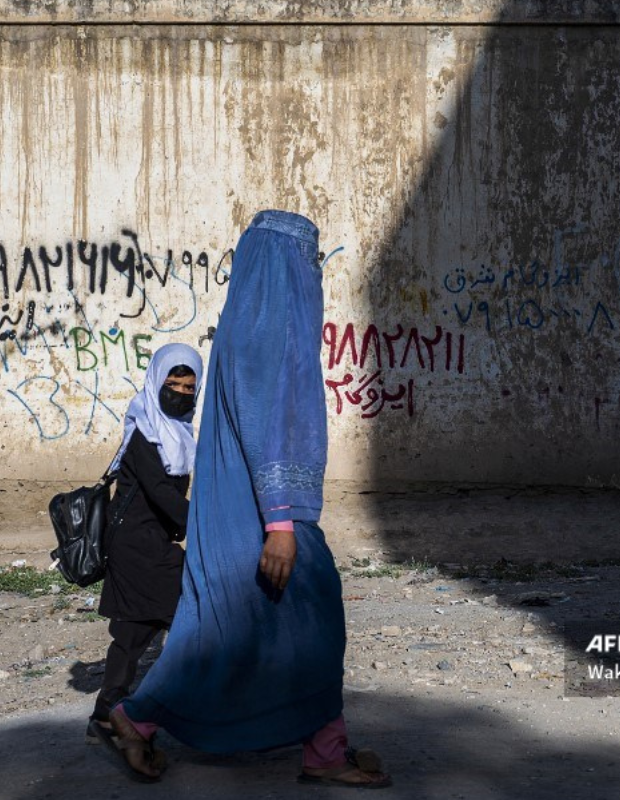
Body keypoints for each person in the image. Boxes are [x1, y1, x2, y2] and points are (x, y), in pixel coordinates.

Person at [105, 210, 391, 788]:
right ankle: (322, 751)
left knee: (226, 631)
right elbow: (266, 429)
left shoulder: (246, 327)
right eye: (304, 262)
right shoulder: (268, 333)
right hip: (265, 515)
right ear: (280, 269)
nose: (311, 275)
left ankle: (139, 719)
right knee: (312, 619)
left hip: (244, 514)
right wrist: (281, 523)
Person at [86, 343, 203, 746]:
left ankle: (106, 714)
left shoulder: (178, 431)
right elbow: (159, 492)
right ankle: (176, 710)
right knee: (191, 617)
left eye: (189, 387)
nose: (181, 393)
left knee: (137, 628)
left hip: (150, 541)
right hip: (137, 545)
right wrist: (205, 525)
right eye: (173, 384)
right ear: (156, 381)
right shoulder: (146, 431)